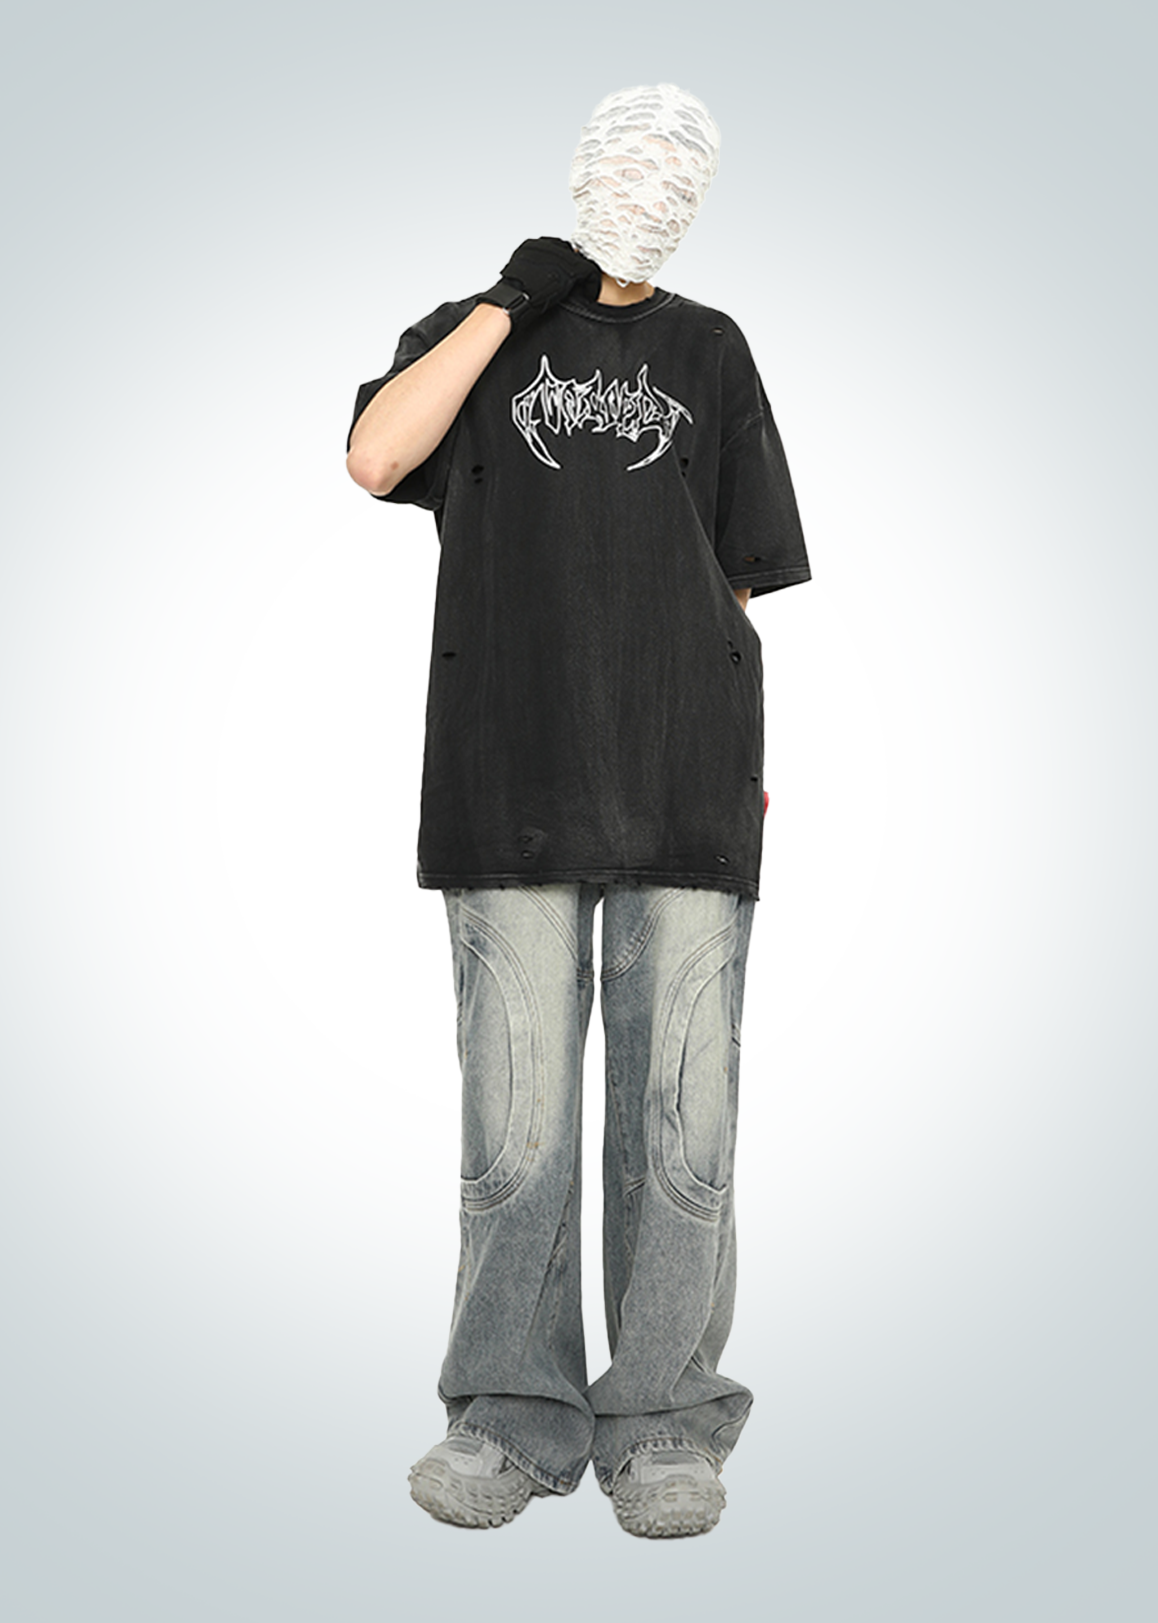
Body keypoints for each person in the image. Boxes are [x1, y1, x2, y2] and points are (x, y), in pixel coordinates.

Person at [345, 84, 810, 1538]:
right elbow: (374, 457)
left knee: (681, 1129)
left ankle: (664, 1419)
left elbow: (737, 578)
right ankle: (508, 1415)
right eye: (632, 156)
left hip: (683, 781)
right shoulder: (473, 332)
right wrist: (510, 297)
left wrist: (729, 748)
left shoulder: (712, 347)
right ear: (583, 171)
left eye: (684, 166)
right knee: (518, 1132)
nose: (653, 184)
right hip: (509, 776)